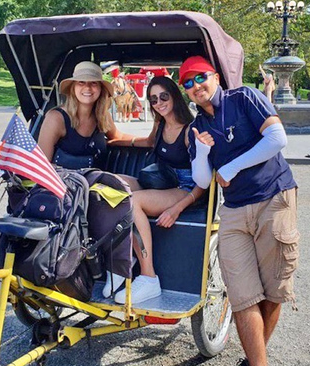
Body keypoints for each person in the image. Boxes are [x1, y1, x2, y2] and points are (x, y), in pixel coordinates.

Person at [181, 56, 298, 366]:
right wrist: (203, 152)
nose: (196, 86)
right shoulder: (195, 128)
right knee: (242, 295)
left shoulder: (244, 97)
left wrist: (232, 165)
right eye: (188, 83)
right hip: (233, 209)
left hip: (273, 196)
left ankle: (253, 359)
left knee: (273, 290)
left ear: (215, 77)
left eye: (200, 77)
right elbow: (203, 180)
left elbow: (277, 138)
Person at [37, 60, 134, 298]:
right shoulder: (57, 118)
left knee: (135, 185)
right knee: (118, 193)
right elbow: (41, 164)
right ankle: (118, 268)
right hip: (64, 188)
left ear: (101, 89)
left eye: (94, 84)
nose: (87, 88)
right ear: (72, 88)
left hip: (94, 187)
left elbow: (118, 136)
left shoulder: (101, 117)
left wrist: (154, 140)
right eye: (81, 83)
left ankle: (135, 265)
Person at [107, 76, 206, 303]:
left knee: (133, 201)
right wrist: (115, 141)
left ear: (174, 96)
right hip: (161, 180)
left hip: (187, 188)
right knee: (109, 183)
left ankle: (149, 277)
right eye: (153, 99)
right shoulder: (161, 123)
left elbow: (204, 181)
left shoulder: (191, 131)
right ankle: (120, 262)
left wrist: (177, 209)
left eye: (163, 96)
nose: (159, 102)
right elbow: (149, 142)